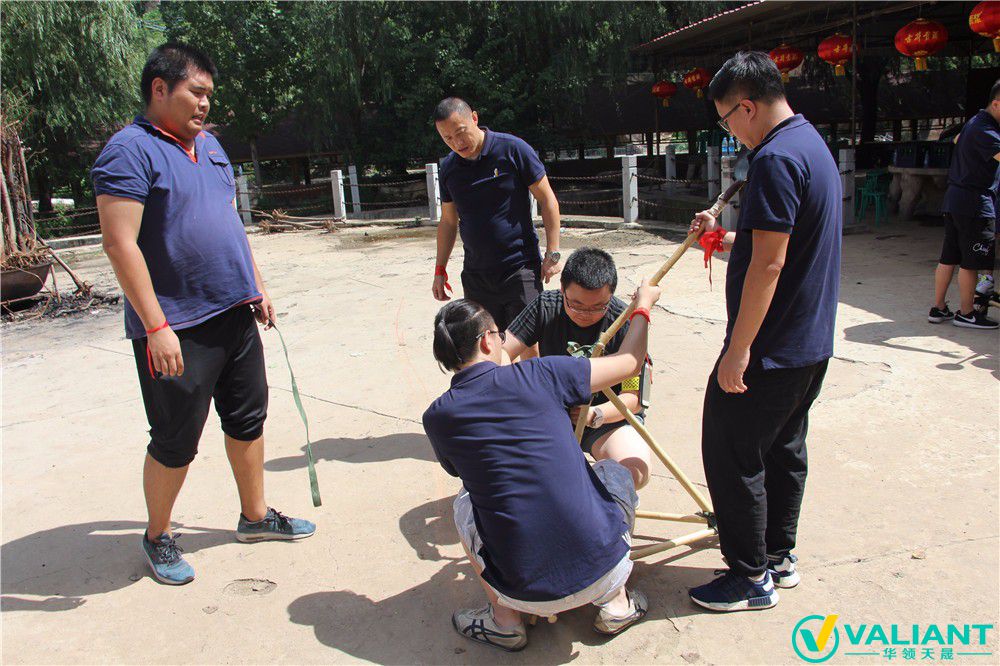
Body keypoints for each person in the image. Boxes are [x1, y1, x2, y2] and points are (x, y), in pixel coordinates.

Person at [92, 43, 315, 586]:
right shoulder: (129, 151)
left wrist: (256, 285)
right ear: (159, 88)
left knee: (248, 419)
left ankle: (254, 518)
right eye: (196, 92)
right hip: (176, 327)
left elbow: (228, 221)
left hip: (234, 312)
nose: (205, 104)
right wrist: (156, 327)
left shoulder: (210, 147)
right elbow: (119, 244)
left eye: (209, 94)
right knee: (175, 438)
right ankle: (157, 535)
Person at [421, 279, 662, 651]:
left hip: (521, 591)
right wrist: (644, 305)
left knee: (467, 500)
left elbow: (459, 470)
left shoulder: (437, 416)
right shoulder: (544, 373)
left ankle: (505, 620)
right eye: (499, 335)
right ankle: (617, 603)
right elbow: (630, 361)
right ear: (486, 342)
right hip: (604, 572)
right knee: (610, 472)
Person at [686, 51, 841, 612]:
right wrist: (722, 237)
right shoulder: (809, 144)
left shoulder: (775, 159)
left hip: (772, 348)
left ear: (747, 107)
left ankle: (749, 577)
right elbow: (776, 246)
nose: (730, 131)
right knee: (782, 448)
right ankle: (778, 556)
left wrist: (739, 350)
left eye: (727, 119)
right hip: (810, 343)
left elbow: (770, 266)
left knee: (731, 451)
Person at [502, 247, 653, 489]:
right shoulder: (545, 306)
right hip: (550, 414)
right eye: (576, 304)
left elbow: (634, 398)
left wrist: (596, 414)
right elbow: (503, 352)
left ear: (611, 295)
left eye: (598, 306)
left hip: (606, 419)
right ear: (562, 289)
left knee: (634, 470)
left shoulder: (625, 320)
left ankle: (597, 500)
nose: (585, 314)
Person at [431, 97, 563, 353]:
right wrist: (440, 269)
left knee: (528, 347)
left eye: (461, 132)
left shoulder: (513, 149)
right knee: (486, 347)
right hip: (477, 275)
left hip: (519, 268)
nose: (457, 143)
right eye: (447, 138)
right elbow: (448, 222)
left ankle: (531, 382)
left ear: (475, 118)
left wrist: (553, 252)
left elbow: (548, 200)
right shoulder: (449, 168)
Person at [929, 80, 1000, 330]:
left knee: (948, 257)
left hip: (956, 200)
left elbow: (957, 139)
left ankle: (939, 308)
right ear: (996, 104)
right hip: (974, 204)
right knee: (971, 262)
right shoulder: (986, 130)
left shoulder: (974, 123)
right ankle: (967, 313)